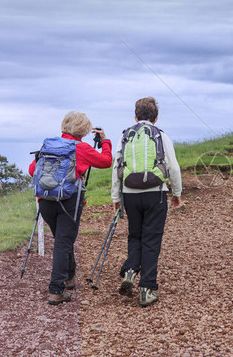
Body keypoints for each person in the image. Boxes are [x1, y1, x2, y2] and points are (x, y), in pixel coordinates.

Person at [29, 111, 112, 305]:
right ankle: (56, 290)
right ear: (83, 130)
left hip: (45, 201)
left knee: (62, 239)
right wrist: (105, 141)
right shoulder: (81, 148)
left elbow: (32, 170)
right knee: (63, 242)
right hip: (69, 202)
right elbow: (106, 162)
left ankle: (70, 276)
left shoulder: (49, 145)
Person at [111, 97, 183, 307]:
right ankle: (147, 289)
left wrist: (116, 196)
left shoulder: (124, 135)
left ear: (135, 116)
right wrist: (176, 193)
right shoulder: (160, 135)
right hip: (155, 193)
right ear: (156, 117)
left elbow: (116, 167)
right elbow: (173, 167)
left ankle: (131, 269)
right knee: (151, 240)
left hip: (129, 192)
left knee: (135, 234)